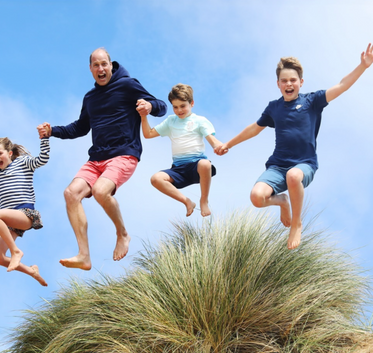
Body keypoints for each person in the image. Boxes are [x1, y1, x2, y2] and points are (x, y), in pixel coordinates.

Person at [215, 43, 373, 250]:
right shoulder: (274, 107)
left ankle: (296, 224)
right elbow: (254, 128)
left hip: (304, 164)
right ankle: (282, 201)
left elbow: (342, 85)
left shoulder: (313, 101)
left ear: (301, 82)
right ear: (278, 84)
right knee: (256, 197)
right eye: (284, 81)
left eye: (293, 80)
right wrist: (229, 144)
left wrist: (363, 66)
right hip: (277, 166)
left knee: (293, 176)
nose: (288, 84)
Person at [37, 47, 167, 269]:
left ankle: (122, 234)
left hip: (124, 153)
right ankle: (84, 256)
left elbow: (162, 107)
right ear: (90, 69)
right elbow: (80, 128)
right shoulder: (90, 98)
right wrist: (52, 131)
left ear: (111, 64)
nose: (100, 68)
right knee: (70, 194)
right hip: (96, 159)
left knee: (100, 190)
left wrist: (149, 105)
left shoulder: (127, 85)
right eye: (96, 65)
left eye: (104, 64)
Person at [0, 118, 49, 286]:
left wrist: (45, 139)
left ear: (10, 153)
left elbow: (42, 159)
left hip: (25, 214)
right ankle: (31, 271)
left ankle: (16, 252)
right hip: (10, 222)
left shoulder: (22, 163)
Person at [138, 83, 222, 217]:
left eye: (183, 106)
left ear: (192, 103)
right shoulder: (171, 121)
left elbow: (212, 140)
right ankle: (187, 201)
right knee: (156, 179)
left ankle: (204, 200)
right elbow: (148, 134)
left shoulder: (199, 120)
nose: (179, 110)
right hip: (179, 170)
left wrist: (218, 146)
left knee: (205, 163)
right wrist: (143, 116)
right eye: (175, 107)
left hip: (197, 167)